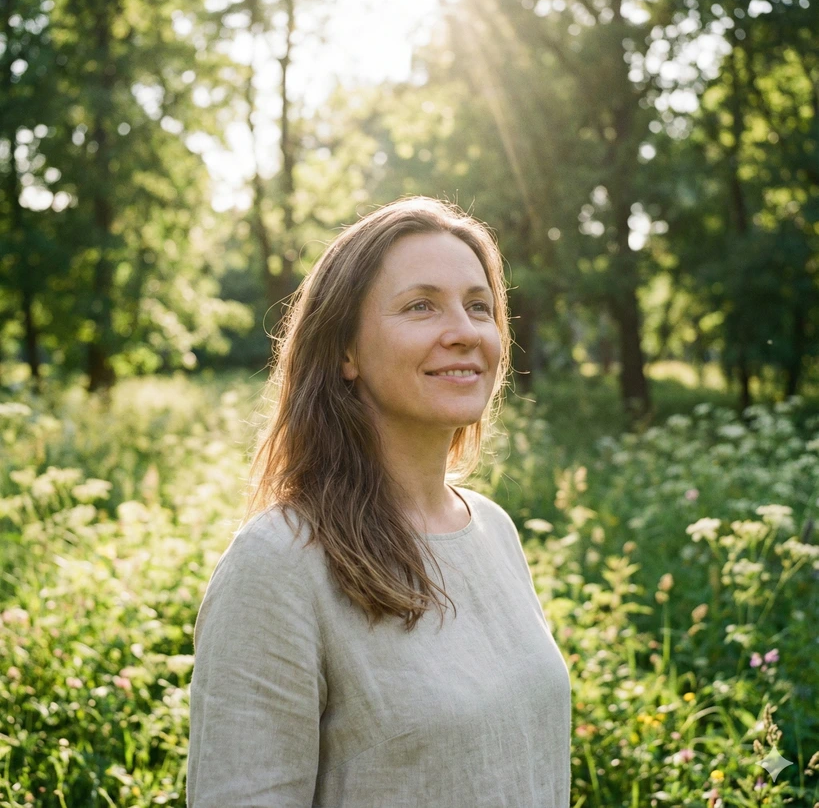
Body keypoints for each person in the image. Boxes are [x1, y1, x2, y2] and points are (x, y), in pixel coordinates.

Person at [186, 197, 572, 807]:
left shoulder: (493, 531)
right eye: (421, 306)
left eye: (479, 306)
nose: (464, 332)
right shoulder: (279, 565)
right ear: (345, 352)